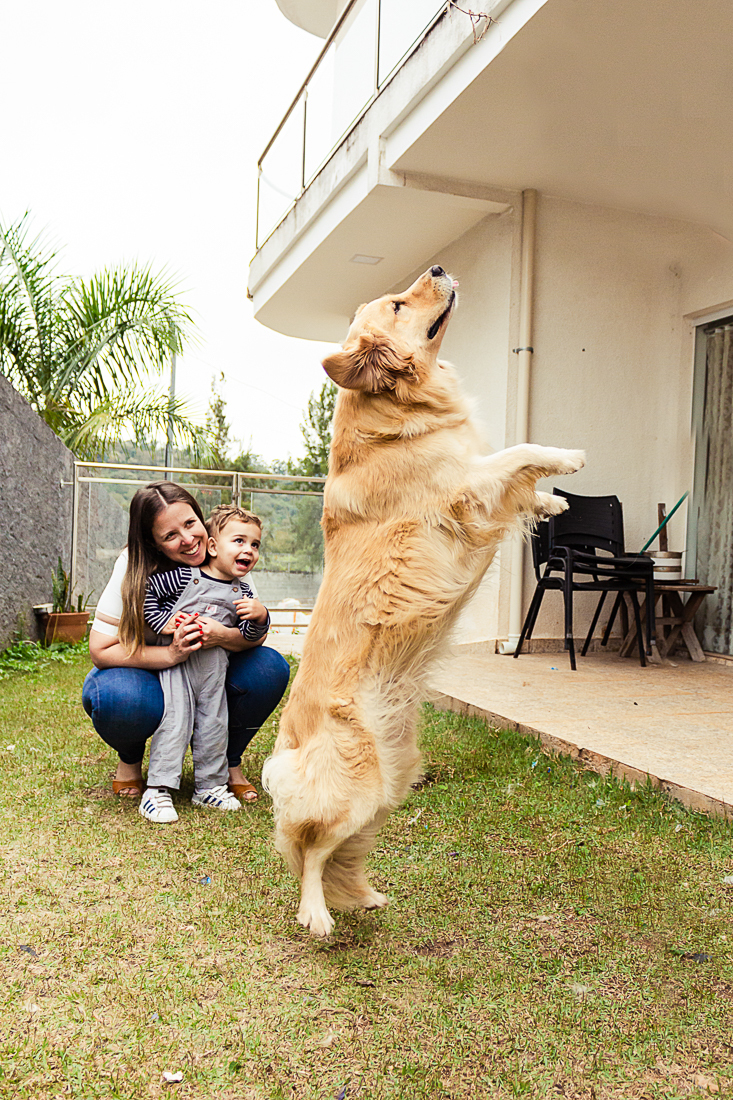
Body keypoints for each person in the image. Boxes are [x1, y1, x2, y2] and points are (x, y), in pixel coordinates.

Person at [81, 482, 290, 803]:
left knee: (269, 668)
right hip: (143, 668)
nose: (189, 540)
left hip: (209, 665)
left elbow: (255, 633)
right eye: (170, 535)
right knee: (121, 698)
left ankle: (227, 764)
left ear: (201, 518)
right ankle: (130, 759)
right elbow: (100, 649)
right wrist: (170, 653)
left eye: (191, 524)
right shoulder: (134, 566)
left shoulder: (227, 552)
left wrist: (222, 635)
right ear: (153, 542)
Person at [139, 506, 269, 823]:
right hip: (177, 667)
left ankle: (209, 788)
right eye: (239, 541)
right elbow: (146, 592)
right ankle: (157, 790)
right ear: (212, 546)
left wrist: (261, 616)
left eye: (254, 545)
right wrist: (163, 623)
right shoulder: (184, 576)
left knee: (214, 724)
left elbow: (246, 635)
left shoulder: (245, 592)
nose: (248, 550)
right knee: (175, 721)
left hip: (213, 672)